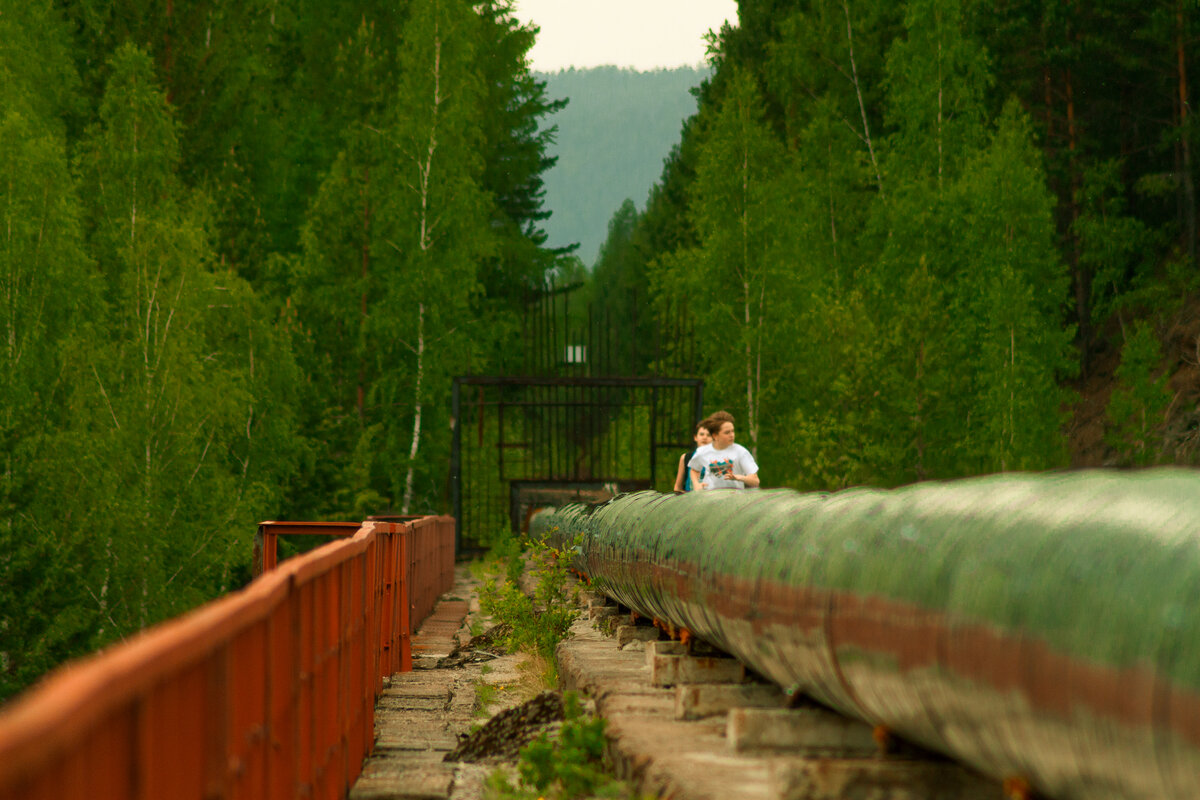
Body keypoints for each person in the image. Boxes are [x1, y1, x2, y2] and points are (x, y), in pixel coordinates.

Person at [688, 411, 759, 490]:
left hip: (734, 498)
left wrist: (740, 477)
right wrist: (696, 484)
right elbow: (694, 470)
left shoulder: (741, 452)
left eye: (732, 431)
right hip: (710, 498)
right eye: (727, 432)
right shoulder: (702, 451)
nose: (732, 435)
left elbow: (755, 481)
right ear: (715, 435)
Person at [673, 419, 712, 492]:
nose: (705, 437)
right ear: (695, 437)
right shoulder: (686, 458)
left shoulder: (719, 459)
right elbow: (677, 487)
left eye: (708, 435)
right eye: (701, 434)